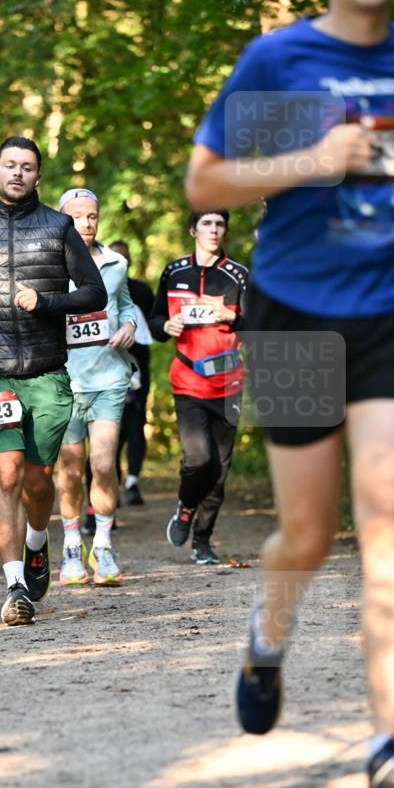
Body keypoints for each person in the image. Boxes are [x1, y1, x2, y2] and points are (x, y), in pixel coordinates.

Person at [186, 0, 394, 788]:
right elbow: (204, 183)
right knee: (308, 536)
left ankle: (389, 744)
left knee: (388, 510)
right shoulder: (281, 61)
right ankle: (266, 636)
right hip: (292, 313)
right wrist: (313, 157)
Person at [0, 136, 107, 625]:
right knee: (5, 474)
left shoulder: (59, 227)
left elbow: (95, 293)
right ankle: (15, 589)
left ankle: (36, 541)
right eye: (10, 165)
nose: (17, 173)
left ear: (37, 177)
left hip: (46, 374)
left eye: (27, 167)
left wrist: (47, 302)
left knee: (38, 479)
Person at [149, 210, 247, 565]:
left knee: (219, 469)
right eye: (207, 223)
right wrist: (166, 326)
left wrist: (232, 317)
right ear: (193, 229)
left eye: (220, 224)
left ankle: (202, 541)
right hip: (188, 380)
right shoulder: (174, 272)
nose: (214, 230)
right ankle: (186, 505)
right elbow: (155, 319)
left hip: (229, 384)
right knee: (197, 459)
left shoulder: (237, 276)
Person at [55, 190, 135, 586]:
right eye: (77, 217)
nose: (86, 224)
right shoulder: (47, 266)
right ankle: (71, 545)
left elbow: (127, 303)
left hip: (108, 379)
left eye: (92, 216)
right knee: (69, 471)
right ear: (61, 220)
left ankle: (102, 545)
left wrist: (130, 325)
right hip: (63, 382)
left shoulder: (116, 264)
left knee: (102, 464)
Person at [109, 240, 155, 507]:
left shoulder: (141, 292)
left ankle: (133, 482)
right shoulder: (98, 289)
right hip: (107, 371)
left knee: (137, 427)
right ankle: (110, 482)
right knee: (113, 429)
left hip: (138, 373)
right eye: (115, 258)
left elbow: (153, 329)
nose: (120, 264)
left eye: (124, 259)